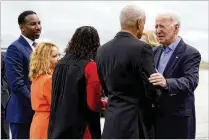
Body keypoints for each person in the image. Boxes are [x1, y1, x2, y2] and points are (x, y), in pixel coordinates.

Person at [95, 5, 161, 139]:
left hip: (112, 119)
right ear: (139, 23)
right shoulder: (142, 48)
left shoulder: (102, 50)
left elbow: (105, 86)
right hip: (136, 122)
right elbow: (151, 86)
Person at [48, 26, 107, 139]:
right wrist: (105, 104)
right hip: (82, 128)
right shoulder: (90, 66)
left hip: (58, 125)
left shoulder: (60, 64)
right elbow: (93, 103)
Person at [149, 13, 201, 139]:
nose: (157, 31)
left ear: (176, 28)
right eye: (156, 27)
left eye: (162, 26)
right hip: (155, 120)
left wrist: (166, 83)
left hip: (178, 122)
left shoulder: (190, 53)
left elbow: (191, 81)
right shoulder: (154, 52)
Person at [4, 10, 42, 139]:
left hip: (37, 112)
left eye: (39, 23)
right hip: (22, 113)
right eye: (33, 24)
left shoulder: (37, 47)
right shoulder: (15, 48)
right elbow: (17, 84)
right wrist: (37, 102)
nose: (38, 27)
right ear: (22, 28)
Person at [29, 42, 60, 139]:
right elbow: (57, 105)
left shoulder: (37, 78)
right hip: (47, 123)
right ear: (45, 59)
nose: (59, 58)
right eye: (55, 56)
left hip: (38, 122)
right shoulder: (48, 79)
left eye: (59, 55)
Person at [1, 52, 10, 139]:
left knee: (4, 131)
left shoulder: (3, 57)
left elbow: (7, 76)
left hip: (2, 100)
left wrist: (3, 88)